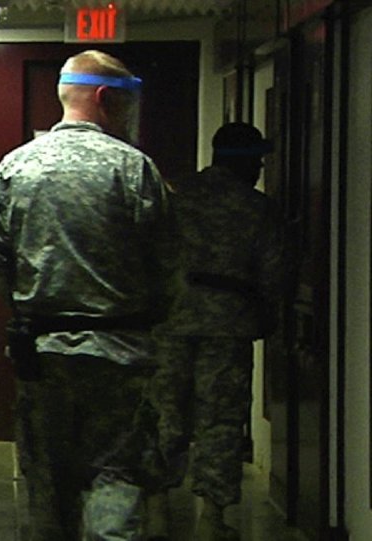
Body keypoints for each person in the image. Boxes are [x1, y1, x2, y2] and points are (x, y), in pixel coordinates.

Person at [0, 49, 171, 540]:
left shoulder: (16, 167)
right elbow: (168, 262)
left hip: (42, 354)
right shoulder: (133, 168)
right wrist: (153, 320)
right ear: (106, 98)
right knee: (117, 473)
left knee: (46, 481)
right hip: (121, 354)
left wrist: (26, 308)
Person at [146, 122, 285, 540]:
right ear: (239, 160)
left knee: (163, 415)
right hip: (228, 327)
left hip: (170, 324)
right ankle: (211, 518)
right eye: (256, 159)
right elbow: (275, 272)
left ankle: (155, 509)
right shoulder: (257, 208)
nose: (260, 167)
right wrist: (267, 316)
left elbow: (147, 259)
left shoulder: (175, 199)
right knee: (220, 422)